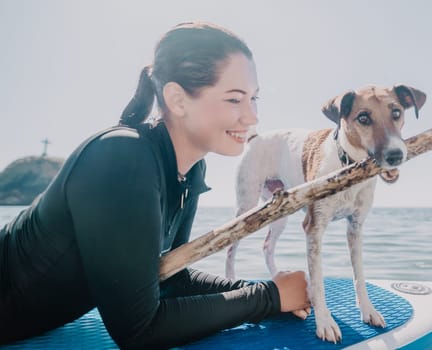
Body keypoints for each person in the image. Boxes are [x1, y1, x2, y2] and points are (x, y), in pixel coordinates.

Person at [0, 22, 310, 349]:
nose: (252, 117)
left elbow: (169, 277)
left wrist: (261, 292)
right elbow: (139, 331)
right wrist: (267, 298)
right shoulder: (122, 157)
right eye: (235, 99)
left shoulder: (187, 168)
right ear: (177, 99)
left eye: (254, 98)